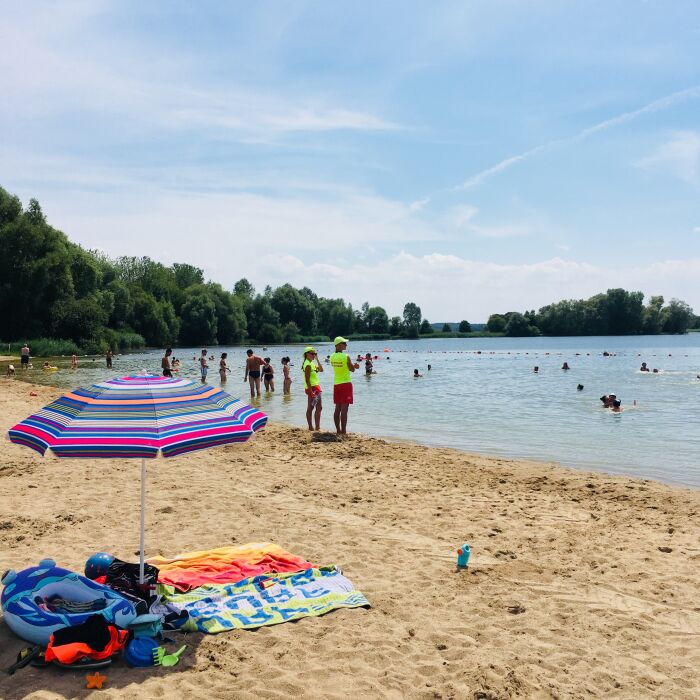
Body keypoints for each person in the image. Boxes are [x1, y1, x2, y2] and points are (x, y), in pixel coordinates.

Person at [330, 337, 359, 435]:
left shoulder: (332, 356)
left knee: (337, 408)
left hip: (336, 383)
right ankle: (344, 431)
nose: (346, 345)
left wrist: (351, 366)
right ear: (338, 345)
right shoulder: (346, 356)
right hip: (346, 383)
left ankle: (338, 431)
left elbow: (341, 368)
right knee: (344, 410)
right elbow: (352, 369)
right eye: (344, 343)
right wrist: (355, 366)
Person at [302, 347, 323, 430]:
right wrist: (311, 392)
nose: (314, 355)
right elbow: (307, 380)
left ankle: (316, 427)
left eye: (315, 354)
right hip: (312, 388)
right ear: (307, 354)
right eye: (312, 354)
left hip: (315, 387)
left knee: (317, 407)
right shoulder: (307, 364)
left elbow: (321, 369)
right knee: (312, 407)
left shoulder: (311, 363)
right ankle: (312, 427)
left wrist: (317, 359)